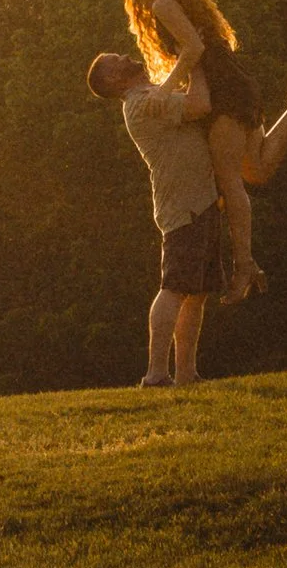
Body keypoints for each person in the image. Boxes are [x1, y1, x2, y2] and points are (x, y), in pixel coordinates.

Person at [116, 0, 287, 311]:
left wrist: (166, 89)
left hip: (224, 93)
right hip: (238, 83)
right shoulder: (181, 2)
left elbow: (194, 48)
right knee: (258, 169)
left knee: (231, 181)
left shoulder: (162, 4)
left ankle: (243, 267)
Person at [86, 39, 226, 385]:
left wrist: (189, 59)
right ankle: (156, 373)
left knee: (197, 293)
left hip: (201, 200)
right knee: (175, 288)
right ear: (114, 80)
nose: (125, 55)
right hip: (183, 206)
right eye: (116, 60)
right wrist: (193, 57)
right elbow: (200, 104)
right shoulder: (143, 104)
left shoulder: (153, 95)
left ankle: (186, 374)